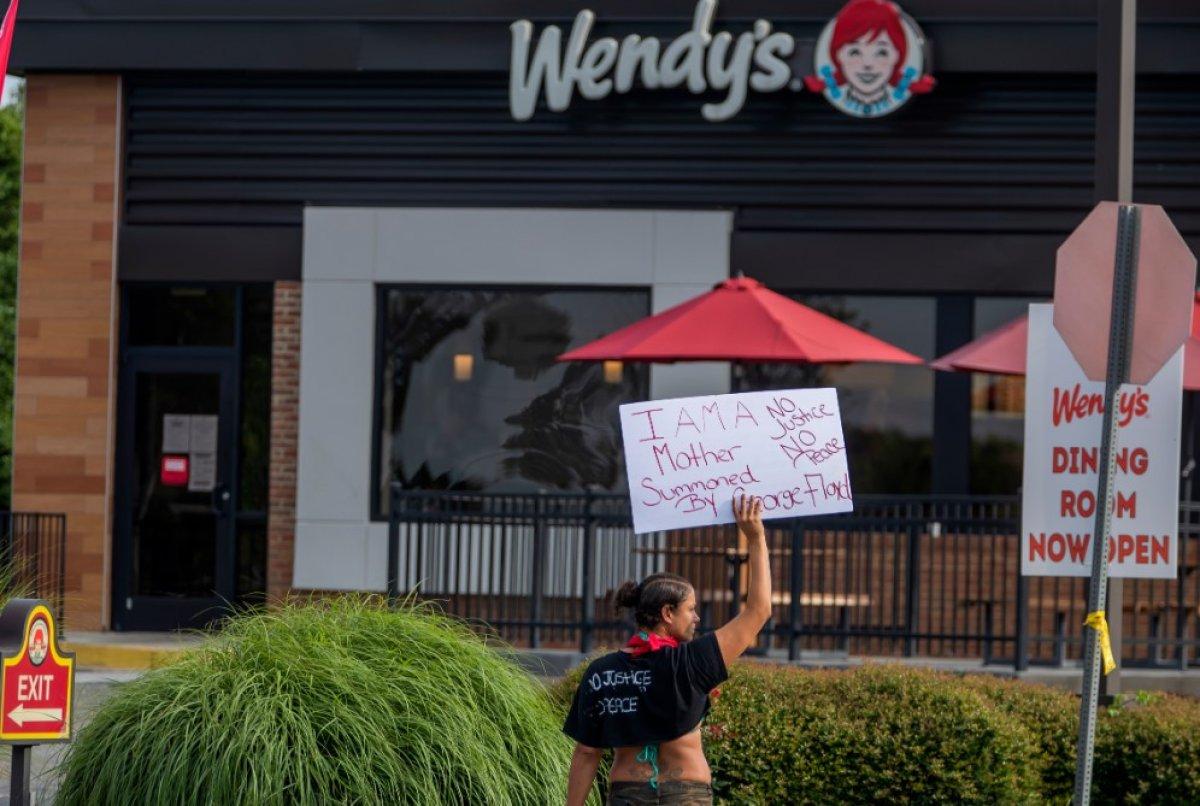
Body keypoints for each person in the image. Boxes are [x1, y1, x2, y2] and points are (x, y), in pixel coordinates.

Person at [563, 494, 771, 806]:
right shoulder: (692, 661)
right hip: (686, 793)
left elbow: (587, 752)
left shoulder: (600, 673)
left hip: (628, 795)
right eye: (691, 609)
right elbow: (759, 610)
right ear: (667, 613)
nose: (697, 618)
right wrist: (755, 538)